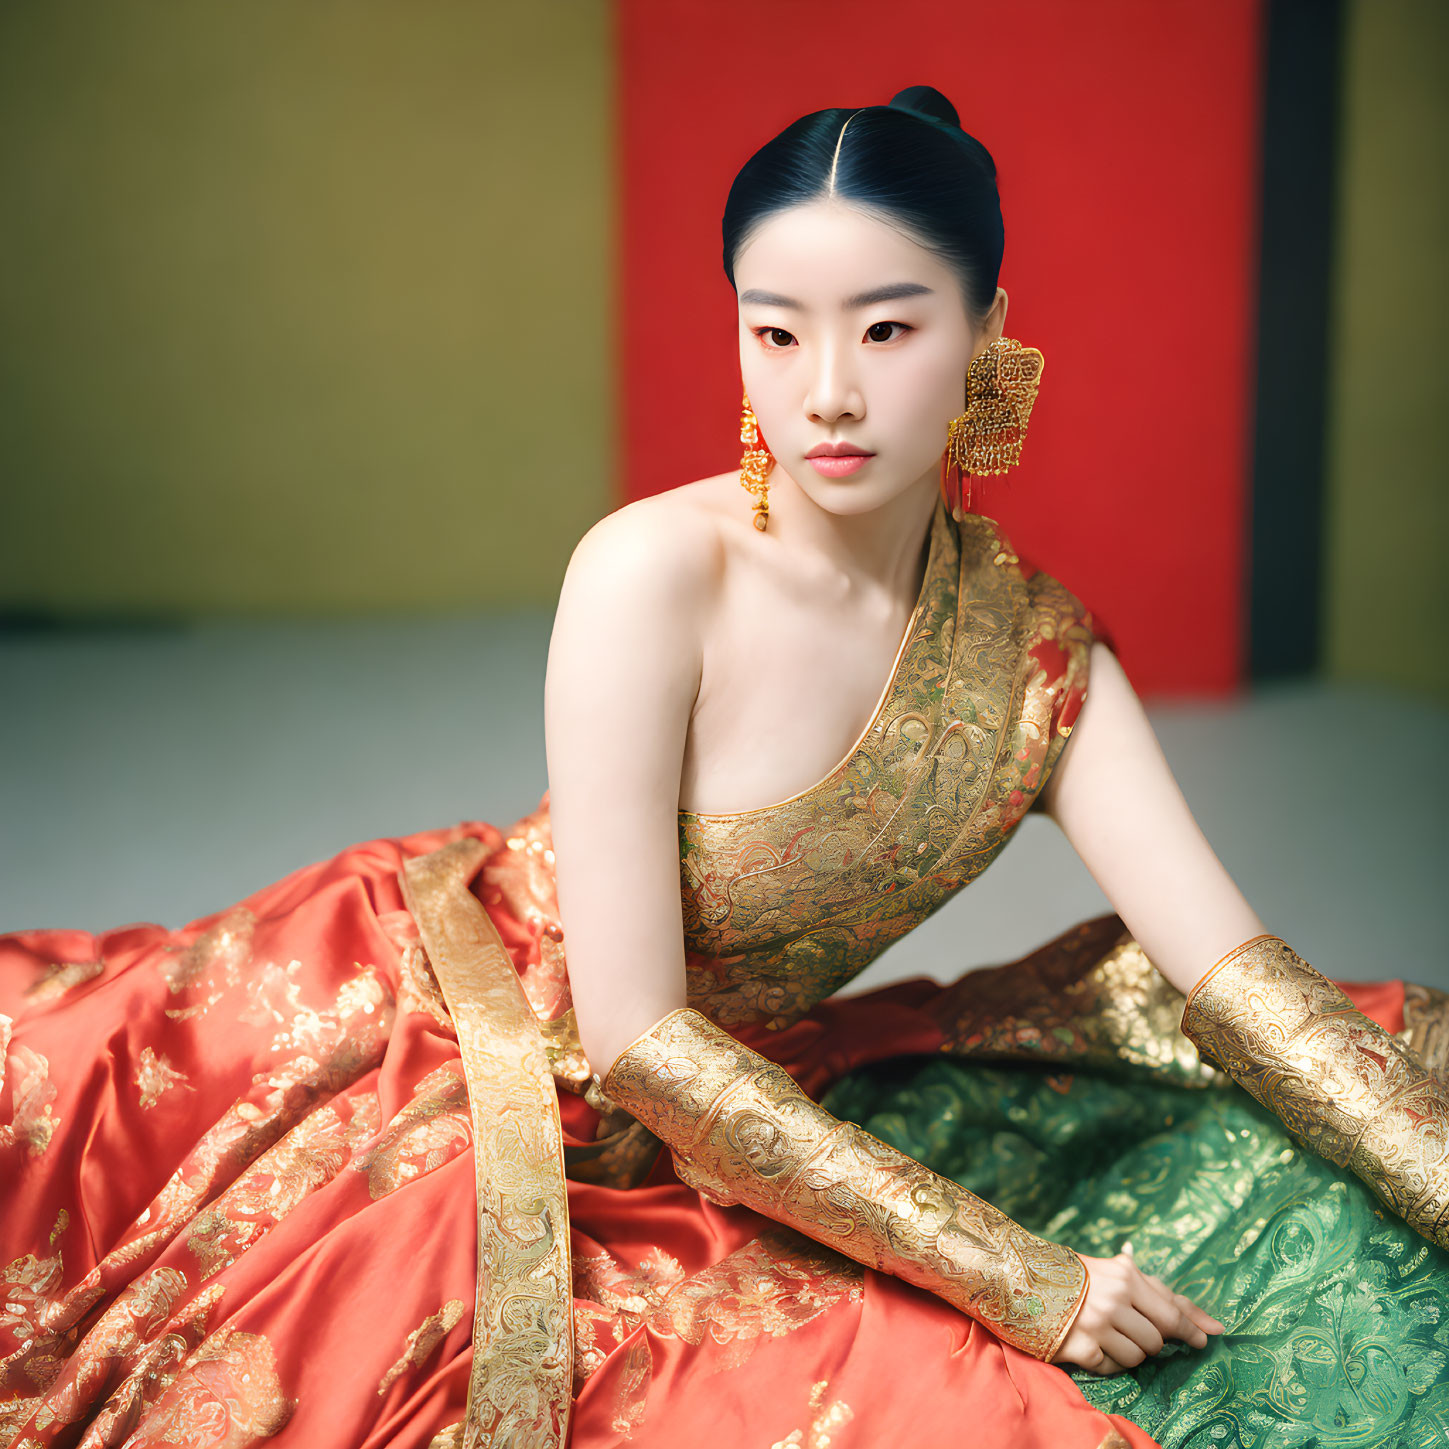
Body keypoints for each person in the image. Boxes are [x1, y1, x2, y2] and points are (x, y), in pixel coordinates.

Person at [2, 85, 1445, 1449]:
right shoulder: (650, 573)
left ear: (987, 333)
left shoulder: (1036, 659)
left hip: (729, 1122)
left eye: (885, 332)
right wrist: (1021, 1276)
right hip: (428, 1044)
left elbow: (1236, 984)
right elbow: (635, 1035)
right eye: (774, 334)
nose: (823, 394)